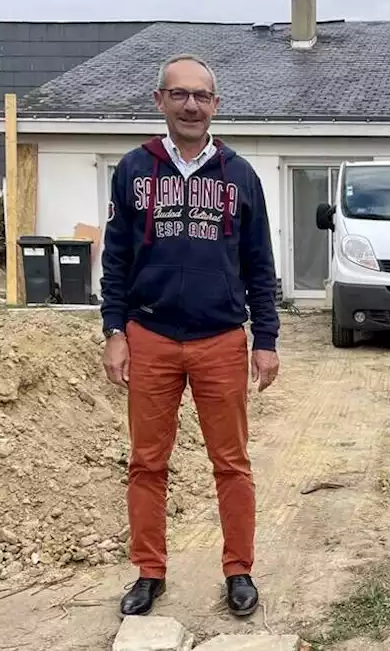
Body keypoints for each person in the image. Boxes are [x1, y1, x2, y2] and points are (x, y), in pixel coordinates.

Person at [99, 53, 280, 618]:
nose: (191, 105)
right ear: (160, 101)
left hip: (221, 340)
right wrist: (114, 330)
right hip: (149, 335)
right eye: (180, 94)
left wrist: (266, 338)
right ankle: (149, 572)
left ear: (215, 105)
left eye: (202, 96)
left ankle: (239, 571)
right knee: (147, 462)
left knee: (231, 461)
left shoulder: (240, 176)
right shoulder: (133, 170)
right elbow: (116, 260)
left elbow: (259, 264)